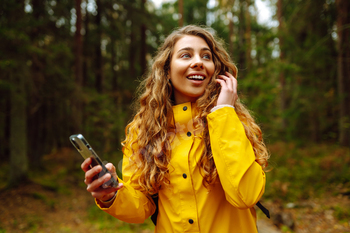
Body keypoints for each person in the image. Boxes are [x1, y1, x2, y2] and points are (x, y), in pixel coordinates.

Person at [81, 25, 269, 232]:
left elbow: (246, 195)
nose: (198, 62)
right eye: (186, 55)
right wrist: (112, 195)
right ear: (167, 70)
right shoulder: (142, 130)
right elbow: (142, 206)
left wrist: (224, 111)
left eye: (206, 57)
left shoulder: (234, 121)